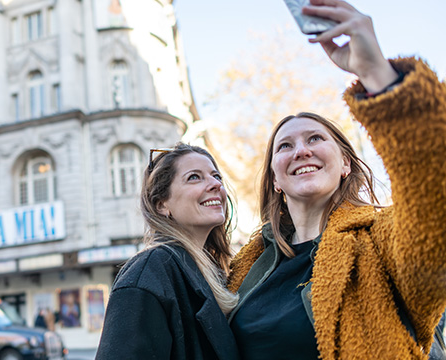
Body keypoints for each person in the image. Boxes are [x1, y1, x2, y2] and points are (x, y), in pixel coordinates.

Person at [227, 0, 446, 359]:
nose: (301, 151)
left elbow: (434, 207)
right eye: (285, 145)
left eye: (315, 139)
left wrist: (375, 72)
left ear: (345, 163)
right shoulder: (246, 267)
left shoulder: (382, 240)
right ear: (275, 179)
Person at [96, 143, 240, 359]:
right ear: (162, 204)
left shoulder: (209, 271)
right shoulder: (150, 272)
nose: (215, 185)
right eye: (194, 177)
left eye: (216, 176)